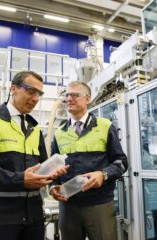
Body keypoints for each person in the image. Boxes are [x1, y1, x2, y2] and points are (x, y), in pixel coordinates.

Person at [0, 71, 69, 240]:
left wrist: (51, 176)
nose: (36, 98)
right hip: (1, 220)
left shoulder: (34, 129)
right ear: (14, 89)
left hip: (34, 218)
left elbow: (41, 168)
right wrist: (20, 179)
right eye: (31, 91)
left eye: (39, 93)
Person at [50, 81, 128, 240]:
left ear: (87, 99)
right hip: (68, 205)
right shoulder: (59, 133)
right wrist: (52, 187)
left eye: (75, 95)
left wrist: (103, 174)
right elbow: (54, 169)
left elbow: (121, 162)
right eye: (67, 95)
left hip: (99, 204)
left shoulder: (104, 126)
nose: (69, 98)